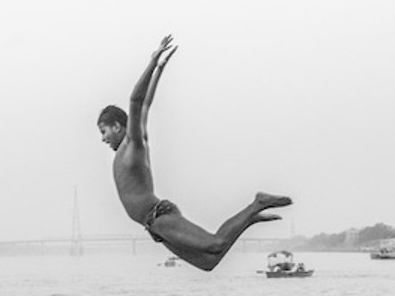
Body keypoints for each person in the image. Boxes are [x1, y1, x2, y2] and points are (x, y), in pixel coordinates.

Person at [97, 35, 292, 272]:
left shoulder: (133, 144)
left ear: (117, 126)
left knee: (215, 243)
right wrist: (159, 69)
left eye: (104, 131)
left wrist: (153, 62)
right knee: (209, 262)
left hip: (159, 216)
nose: (103, 138)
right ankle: (248, 219)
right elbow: (146, 104)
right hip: (153, 226)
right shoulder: (122, 153)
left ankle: (257, 203)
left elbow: (138, 102)